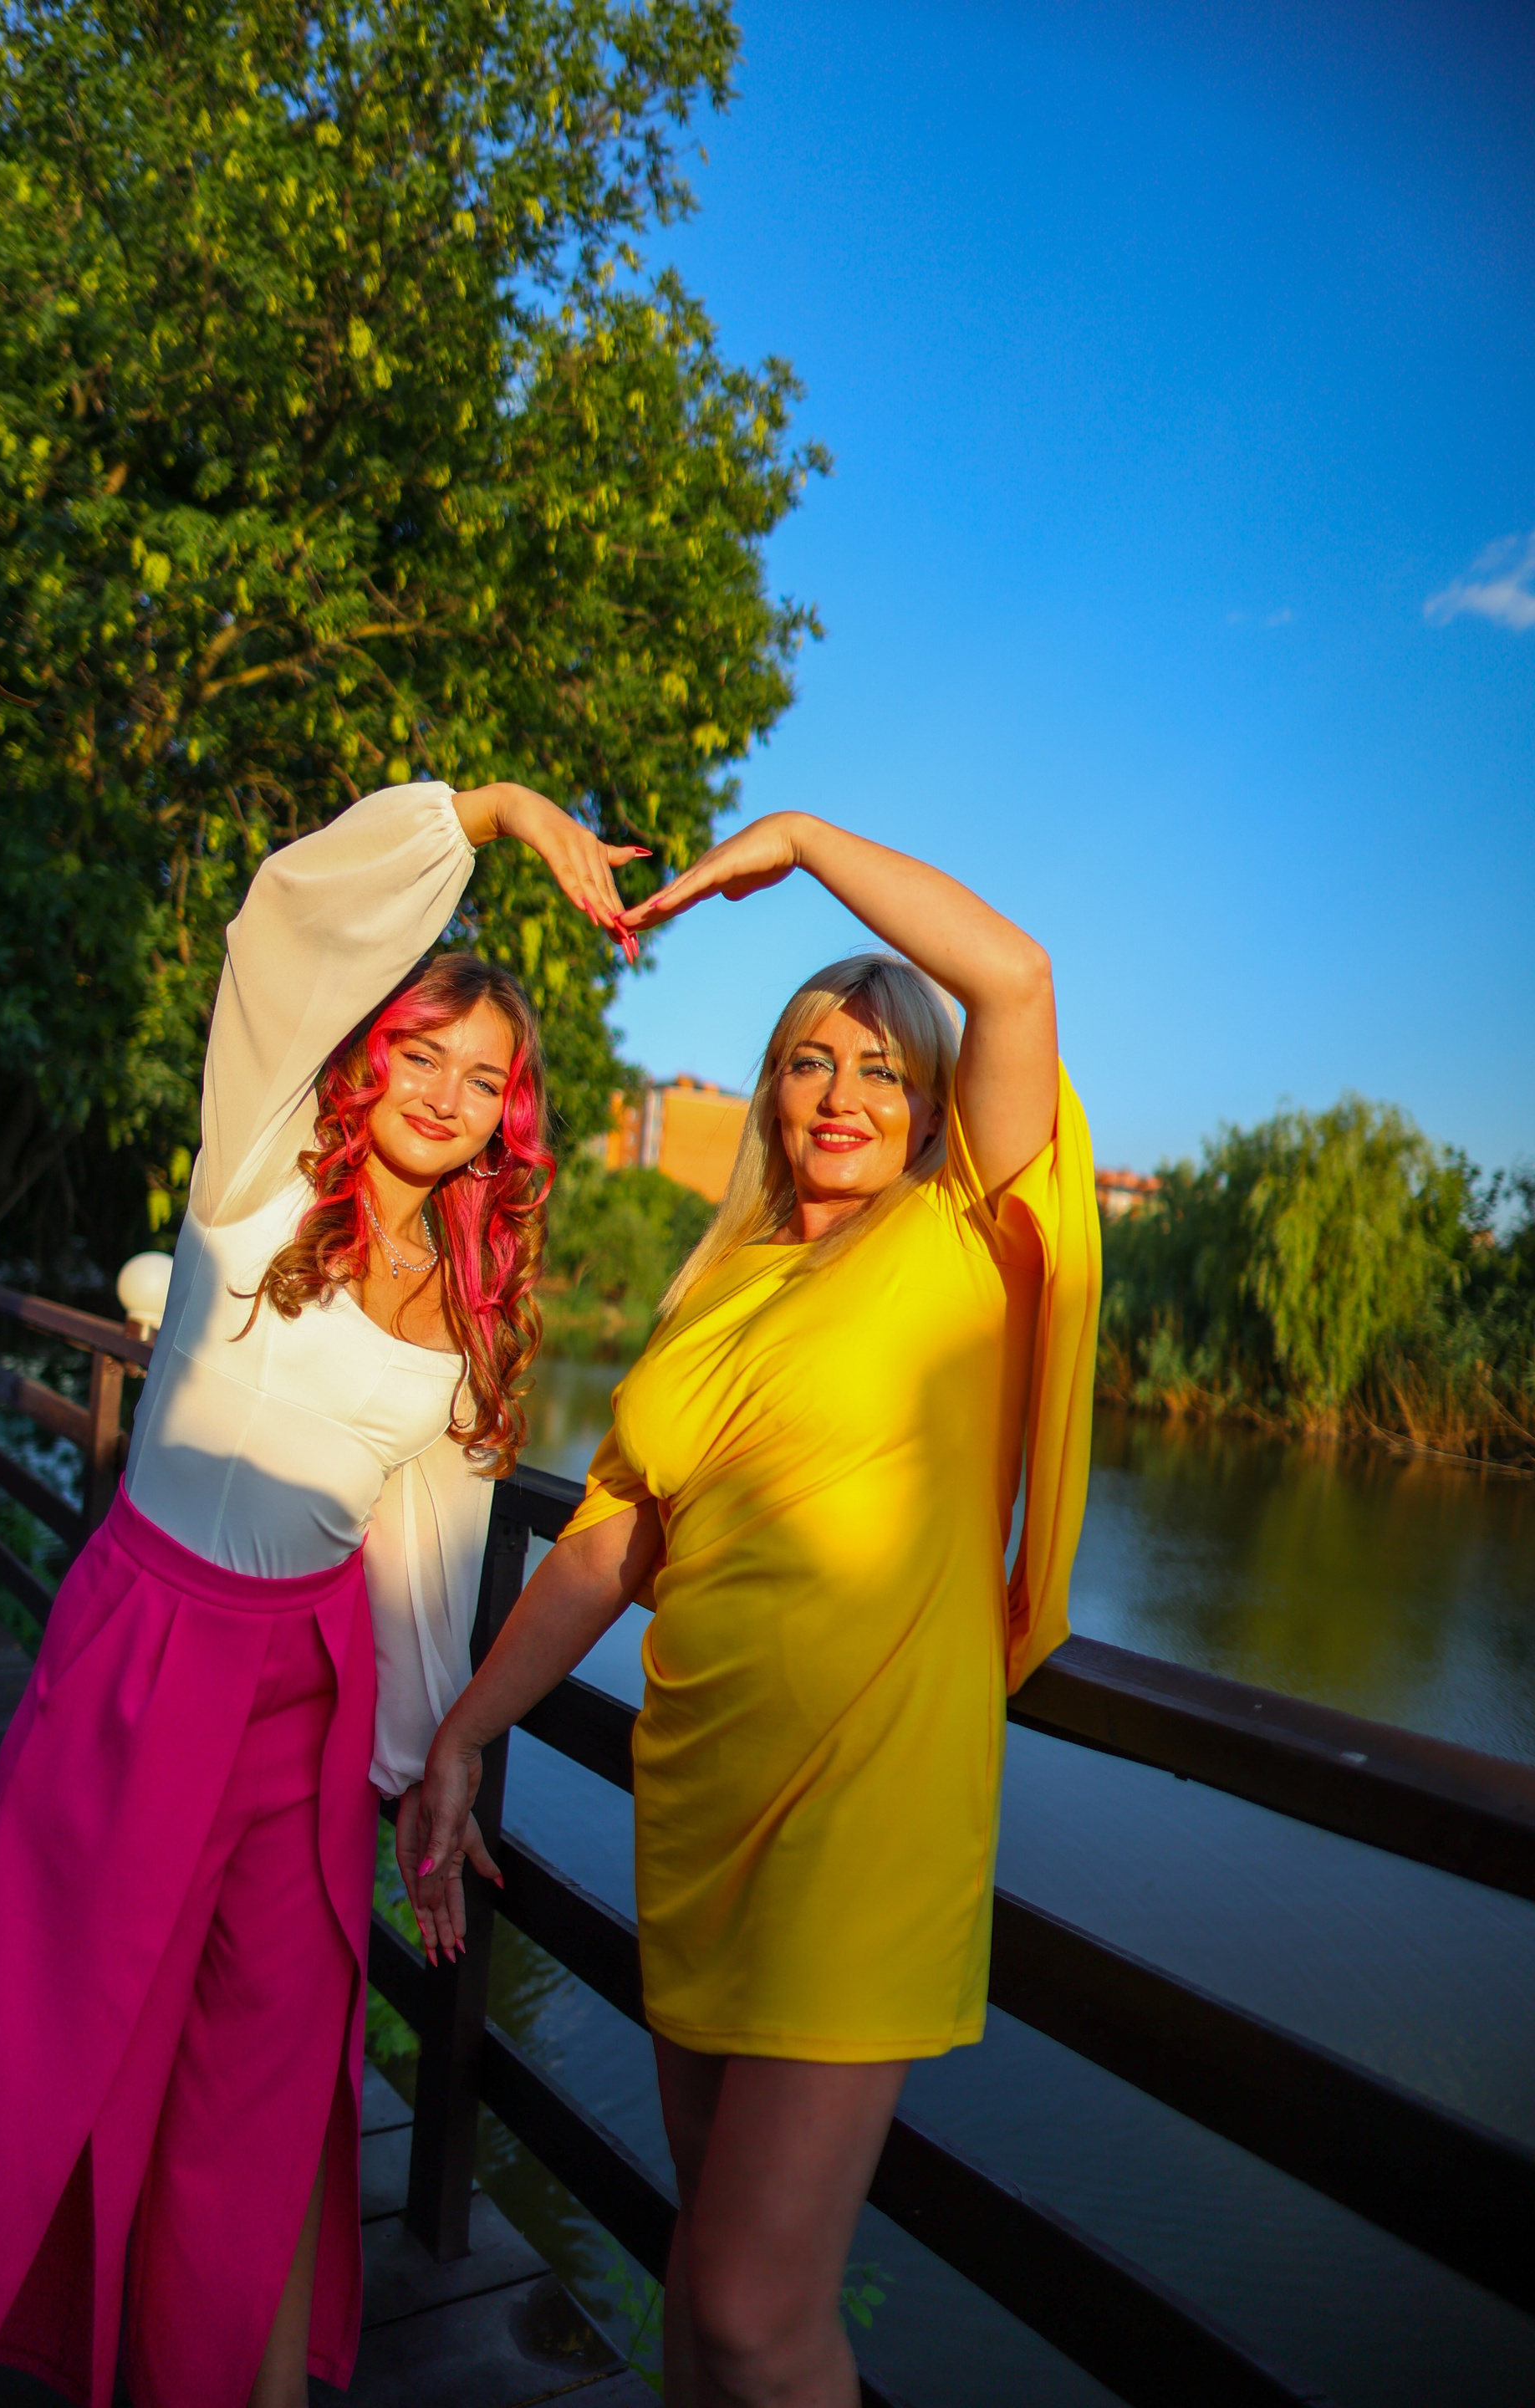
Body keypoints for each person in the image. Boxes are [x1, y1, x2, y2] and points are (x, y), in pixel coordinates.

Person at [0, 777, 639, 2408]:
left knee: (262, 2077)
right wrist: (490, 814)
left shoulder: (469, 1305)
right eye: (427, 1053)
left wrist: (432, 1762)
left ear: (511, 1121)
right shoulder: (256, 1165)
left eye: (488, 1080)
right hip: (147, 1651)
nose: (449, 1097)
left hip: (308, 1707)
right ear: (370, 1046)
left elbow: (428, 1552)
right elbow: (282, 920)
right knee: (65, 2035)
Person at [402, 809, 1101, 2408]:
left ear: (931, 1107)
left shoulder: (969, 1231)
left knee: (748, 2305)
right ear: (770, 1093)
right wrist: (461, 1733)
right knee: (708, 2285)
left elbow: (1014, 977)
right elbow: (608, 1542)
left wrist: (791, 840)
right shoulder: (717, 1285)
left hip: (866, 1810)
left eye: (883, 1070)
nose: (842, 1095)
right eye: (809, 1062)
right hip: (701, 1797)